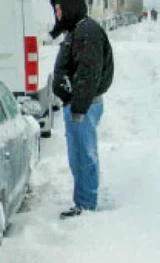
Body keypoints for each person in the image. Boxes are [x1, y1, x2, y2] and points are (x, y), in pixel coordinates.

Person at [52, 0, 114, 219]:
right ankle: (83, 201)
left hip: (84, 106)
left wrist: (78, 108)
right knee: (78, 154)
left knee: (83, 154)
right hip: (79, 104)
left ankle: (86, 205)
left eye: (60, 9)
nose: (57, 13)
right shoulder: (77, 30)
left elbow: (89, 73)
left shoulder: (87, 32)